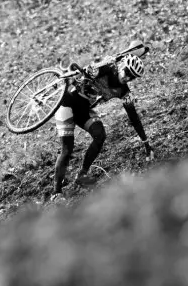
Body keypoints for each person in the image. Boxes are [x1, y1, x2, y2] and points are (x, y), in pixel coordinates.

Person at [51, 44, 154, 200]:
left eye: (131, 77)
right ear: (122, 66)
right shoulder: (108, 67)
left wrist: (146, 143)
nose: (127, 78)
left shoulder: (124, 92)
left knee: (100, 135)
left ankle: (82, 175)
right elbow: (92, 69)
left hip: (84, 110)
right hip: (67, 103)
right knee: (67, 149)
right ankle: (56, 193)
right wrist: (93, 70)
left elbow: (134, 118)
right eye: (127, 72)